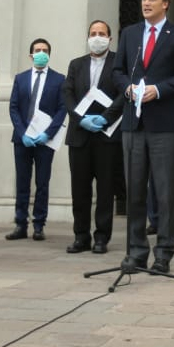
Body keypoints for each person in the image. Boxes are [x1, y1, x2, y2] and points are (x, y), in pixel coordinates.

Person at [112, 0, 174, 274]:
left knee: (164, 191)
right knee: (134, 191)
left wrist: (158, 90)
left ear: (165, 4)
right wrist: (128, 89)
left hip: (164, 125)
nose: (146, 3)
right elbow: (118, 71)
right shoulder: (130, 34)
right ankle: (136, 253)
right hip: (133, 124)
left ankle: (163, 253)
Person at [62, 20, 124, 254]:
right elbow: (67, 94)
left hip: (107, 136)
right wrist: (80, 119)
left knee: (106, 188)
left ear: (110, 38)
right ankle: (81, 236)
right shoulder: (76, 65)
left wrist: (105, 118)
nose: (97, 37)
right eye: (93, 33)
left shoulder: (119, 63)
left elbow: (122, 94)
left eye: (102, 34)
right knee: (80, 189)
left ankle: (102, 237)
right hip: (79, 136)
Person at [7, 38, 67, 242]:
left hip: (45, 140)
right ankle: (20, 223)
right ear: (30, 54)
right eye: (37, 50)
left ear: (49, 54)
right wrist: (22, 132)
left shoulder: (59, 79)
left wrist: (48, 133)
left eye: (44, 50)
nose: (41, 53)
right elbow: (14, 107)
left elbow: (62, 109)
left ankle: (39, 224)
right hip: (22, 139)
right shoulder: (20, 78)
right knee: (22, 182)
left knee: (42, 183)